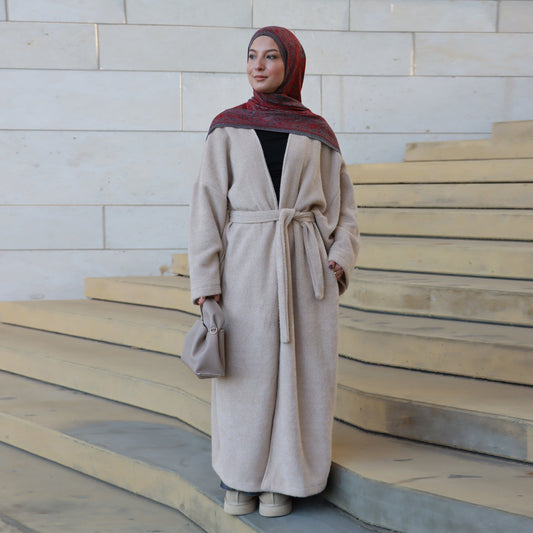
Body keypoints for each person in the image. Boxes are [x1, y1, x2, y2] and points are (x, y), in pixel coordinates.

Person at [188, 26, 359, 518]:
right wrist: (207, 285)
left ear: (292, 65)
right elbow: (206, 209)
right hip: (245, 265)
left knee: (304, 376)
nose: (258, 65)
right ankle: (240, 476)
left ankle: (285, 479)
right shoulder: (227, 128)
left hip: (307, 269)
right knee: (245, 374)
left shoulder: (316, 133)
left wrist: (338, 258)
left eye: (270, 57)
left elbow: (345, 207)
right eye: (251, 56)